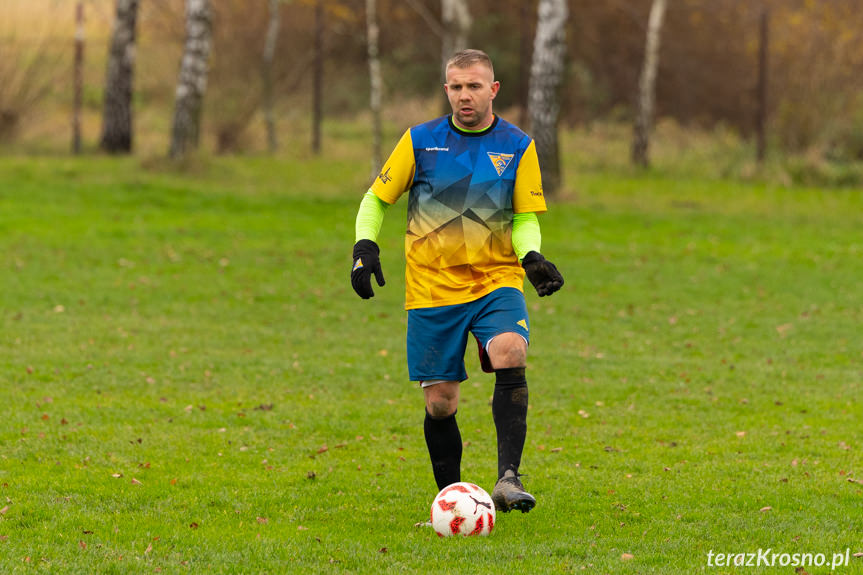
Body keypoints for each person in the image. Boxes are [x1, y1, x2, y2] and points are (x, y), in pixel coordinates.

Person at [350, 49, 564, 513]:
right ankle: (451, 498)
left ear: (493, 89)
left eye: (473, 86)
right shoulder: (420, 141)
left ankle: (508, 478)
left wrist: (530, 256)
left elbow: (525, 216)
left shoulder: (518, 145)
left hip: (495, 280)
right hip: (431, 287)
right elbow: (376, 199)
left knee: (511, 349)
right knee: (441, 404)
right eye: (456, 87)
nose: (464, 95)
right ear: (446, 89)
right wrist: (365, 247)